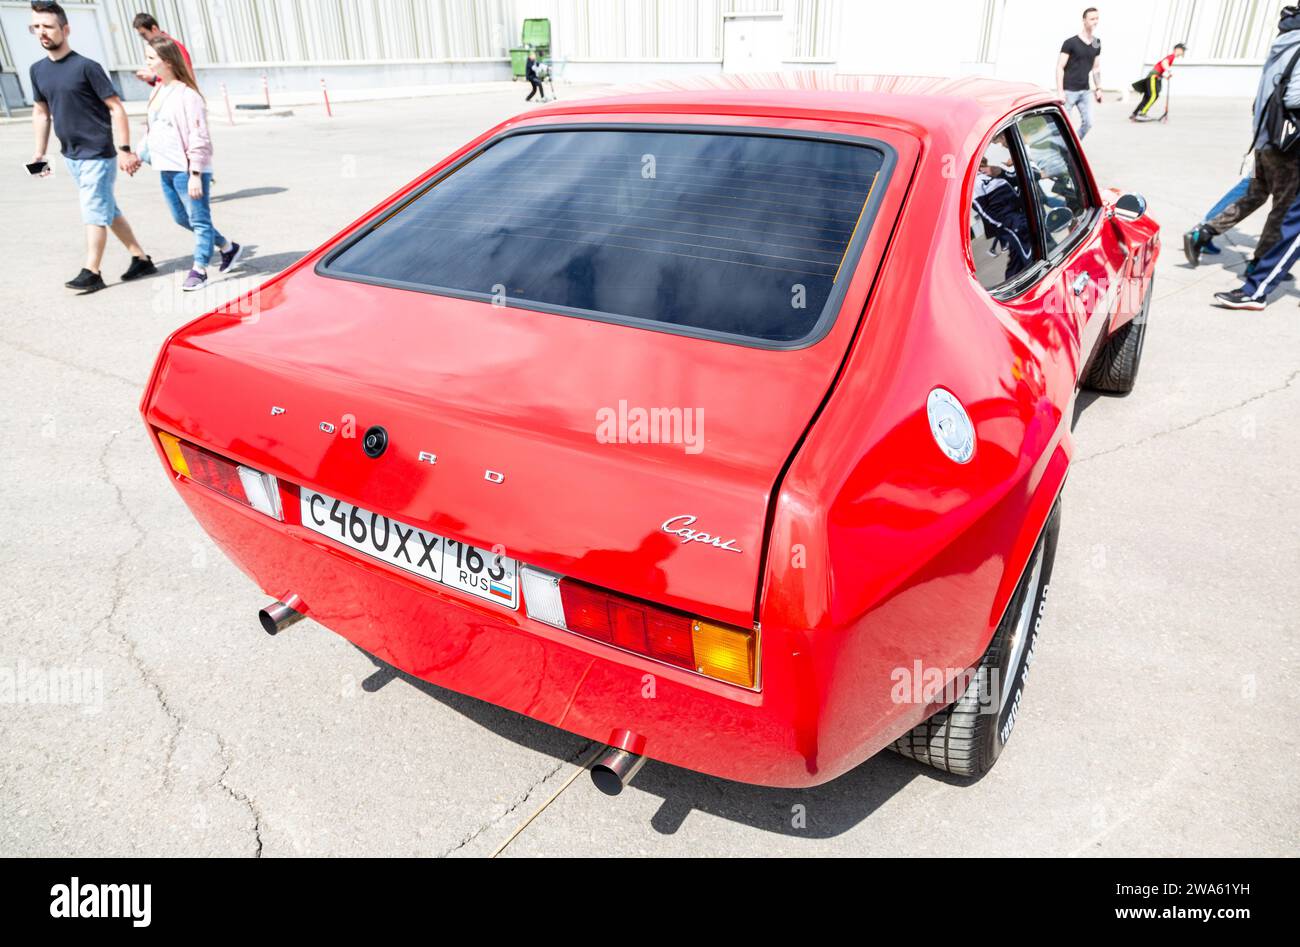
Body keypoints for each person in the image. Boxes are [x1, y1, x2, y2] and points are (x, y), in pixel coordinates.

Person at [28, 0, 154, 294]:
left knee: (93, 209)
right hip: (71, 155)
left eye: (48, 26)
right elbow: (41, 111)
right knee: (106, 209)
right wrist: (40, 151)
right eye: (36, 27)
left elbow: (116, 108)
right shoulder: (37, 71)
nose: (42, 32)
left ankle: (92, 270)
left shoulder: (86, 67)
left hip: (97, 153)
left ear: (65, 29)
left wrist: (124, 148)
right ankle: (141, 257)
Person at [1185, 6, 1300, 270]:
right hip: (1287, 144)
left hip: (1265, 136)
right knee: (1283, 208)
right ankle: (1260, 265)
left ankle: (1204, 232)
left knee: (1255, 194)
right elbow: (1294, 96)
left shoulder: (1283, 41)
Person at [140, 36, 243, 291]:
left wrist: (195, 173)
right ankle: (228, 247)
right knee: (181, 218)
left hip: (188, 169)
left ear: (167, 62)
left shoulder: (189, 96)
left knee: (199, 220)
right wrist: (139, 153)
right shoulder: (158, 90)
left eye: (150, 58)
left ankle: (199, 269)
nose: (146, 63)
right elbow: (154, 128)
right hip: (166, 167)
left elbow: (200, 136)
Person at [1057, 7, 1102, 139]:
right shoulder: (1070, 42)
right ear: (1084, 20)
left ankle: (1073, 146)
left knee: (1088, 123)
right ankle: (1066, 150)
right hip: (1069, 90)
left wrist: (1098, 88)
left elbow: (1096, 68)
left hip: (1085, 91)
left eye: (1097, 18)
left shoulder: (1096, 43)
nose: (1095, 21)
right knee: (1065, 126)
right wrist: (1060, 91)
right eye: (1092, 19)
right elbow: (1060, 67)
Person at [132, 12, 191, 87]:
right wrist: (152, 78)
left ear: (154, 29)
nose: (144, 38)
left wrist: (154, 78)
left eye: (144, 34)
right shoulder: (155, 47)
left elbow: (186, 76)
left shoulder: (174, 46)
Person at [1131, 43, 1185, 121]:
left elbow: (1160, 68)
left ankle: (1135, 114)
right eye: (1182, 50)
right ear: (1178, 49)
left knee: (1147, 97)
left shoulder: (1171, 57)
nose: (1183, 52)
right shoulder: (1171, 56)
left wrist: (1165, 76)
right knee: (1154, 95)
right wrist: (1168, 70)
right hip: (1153, 77)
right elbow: (1164, 63)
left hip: (1153, 76)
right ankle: (1142, 113)